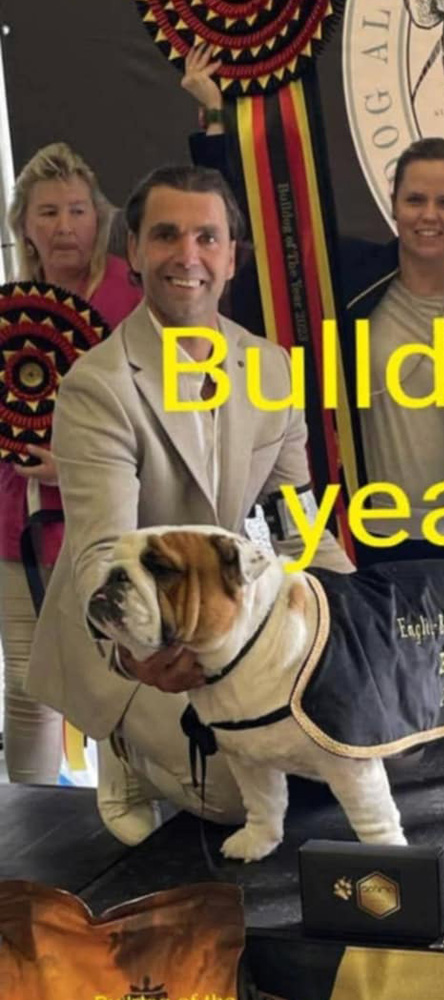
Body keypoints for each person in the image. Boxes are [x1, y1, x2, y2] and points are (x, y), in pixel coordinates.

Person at [25, 164, 353, 844]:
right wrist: (133, 657)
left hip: (213, 616)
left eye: (207, 237)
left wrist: (359, 624)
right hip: (126, 634)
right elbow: (100, 554)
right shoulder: (96, 387)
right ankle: (125, 749)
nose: (188, 255)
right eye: (166, 235)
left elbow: (298, 524)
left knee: (349, 743)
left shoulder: (272, 368)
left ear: (232, 256)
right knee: (238, 789)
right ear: (135, 250)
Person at [182, 44, 444, 564]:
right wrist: (214, 118)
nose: (429, 215)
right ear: (393, 204)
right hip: (365, 535)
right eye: (415, 199)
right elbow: (249, 224)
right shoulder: (348, 275)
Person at [2, 142, 142, 783]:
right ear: (25, 226)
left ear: (100, 219)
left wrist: (75, 466)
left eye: (78, 211)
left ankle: (134, 808)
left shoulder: (134, 298)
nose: (64, 227)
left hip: (113, 518)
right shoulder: (10, 309)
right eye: (48, 212)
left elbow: (161, 415)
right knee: (27, 686)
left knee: (125, 677)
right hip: (17, 523)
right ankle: (25, 827)